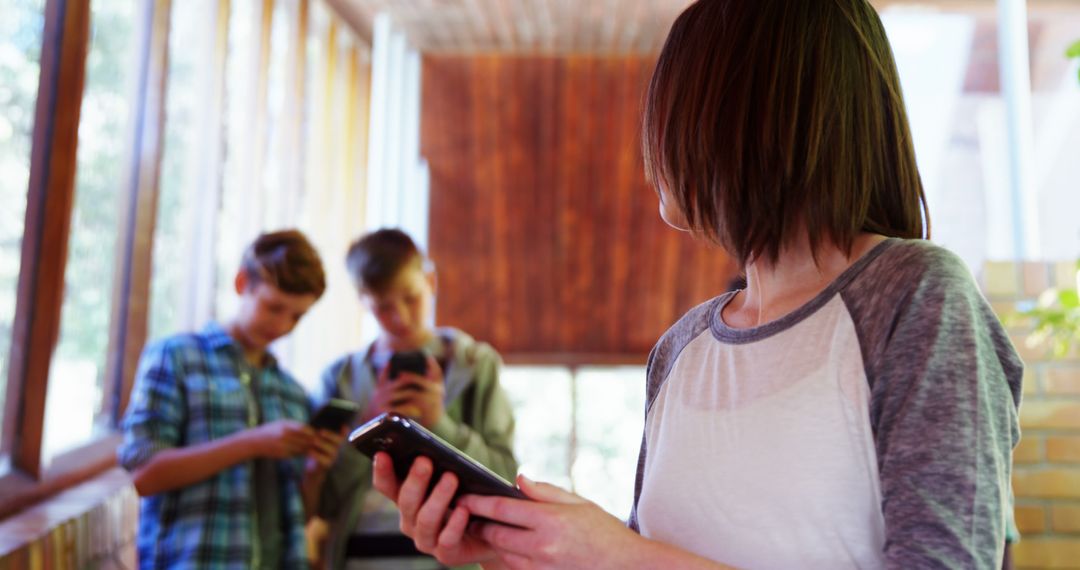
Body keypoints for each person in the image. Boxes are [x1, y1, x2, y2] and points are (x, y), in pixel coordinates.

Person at [370, 1, 1024, 568]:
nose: (653, 141)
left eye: (671, 105)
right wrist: (514, 552)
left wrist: (616, 554)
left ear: (741, 115)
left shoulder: (916, 297)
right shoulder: (681, 349)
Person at [118, 229, 346, 569]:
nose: (282, 325)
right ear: (242, 283)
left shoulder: (292, 392)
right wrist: (252, 443)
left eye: (297, 316)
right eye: (274, 307)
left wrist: (315, 470)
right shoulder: (176, 357)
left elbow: (301, 513)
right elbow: (145, 476)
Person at [312, 228, 518, 570]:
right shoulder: (339, 378)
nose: (400, 318)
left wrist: (439, 423)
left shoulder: (476, 366)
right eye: (382, 307)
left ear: (430, 282)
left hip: (450, 557)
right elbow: (325, 499)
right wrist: (369, 424)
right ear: (363, 300)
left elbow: (504, 476)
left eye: (410, 298)